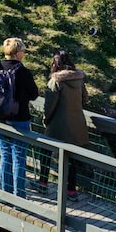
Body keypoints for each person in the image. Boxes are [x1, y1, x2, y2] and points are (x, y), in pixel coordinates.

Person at [34, 50, 90, 201]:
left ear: (55, 64)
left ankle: (43, 183)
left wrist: (46, 120)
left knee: (46, 152)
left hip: (58, 125)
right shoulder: (79, 79)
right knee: (72, 159)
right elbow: (85, 99)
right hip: (77, 124)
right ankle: (71, 191)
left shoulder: (55, 81)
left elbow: (49, 105)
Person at [0, 37, 39, 198]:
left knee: (5, 154)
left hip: (2, 118)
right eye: (23, 51)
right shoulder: (23, 72)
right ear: (18, 53)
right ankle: (19, 196)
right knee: (19, 157)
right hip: (20, 119)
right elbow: (34, 94)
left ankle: (5, 194)